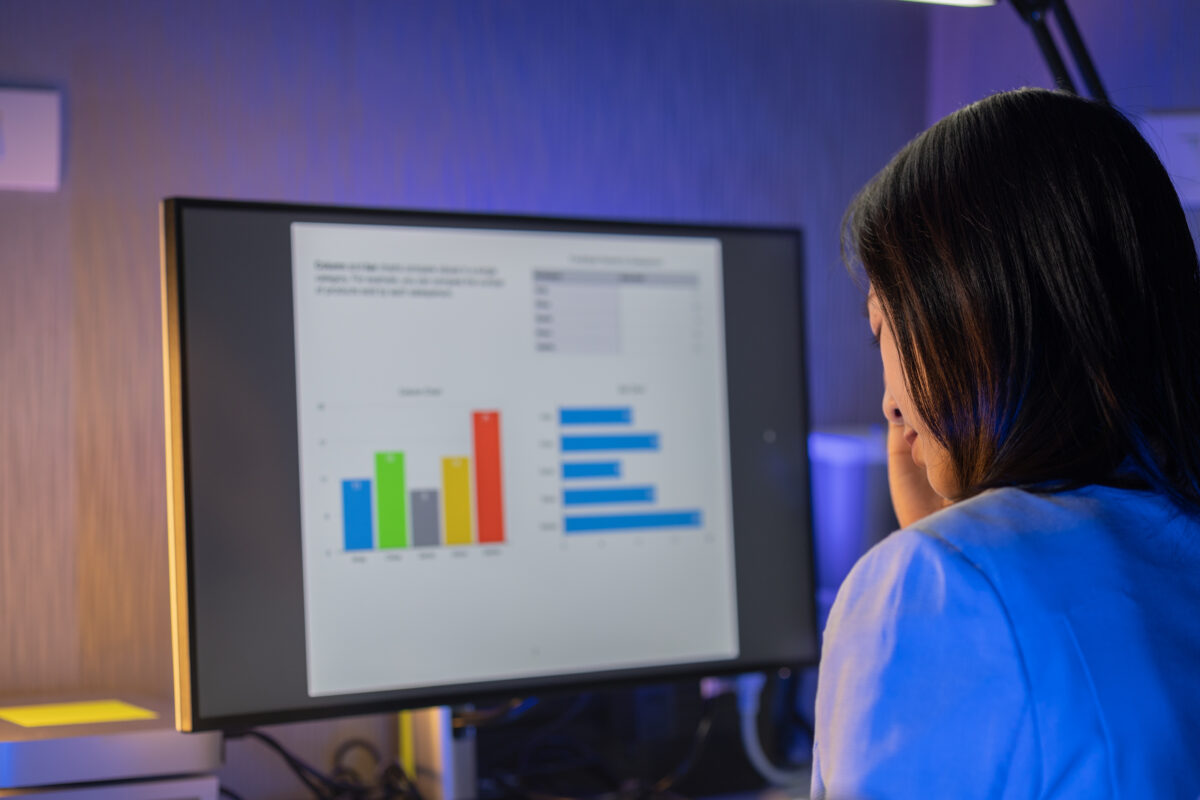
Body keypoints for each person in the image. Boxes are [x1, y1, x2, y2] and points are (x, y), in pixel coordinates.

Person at [811, 88, 1200, 798]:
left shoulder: (936, 586)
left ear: (970, 323)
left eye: (881, 329)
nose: (891, 402)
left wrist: (948, 562)